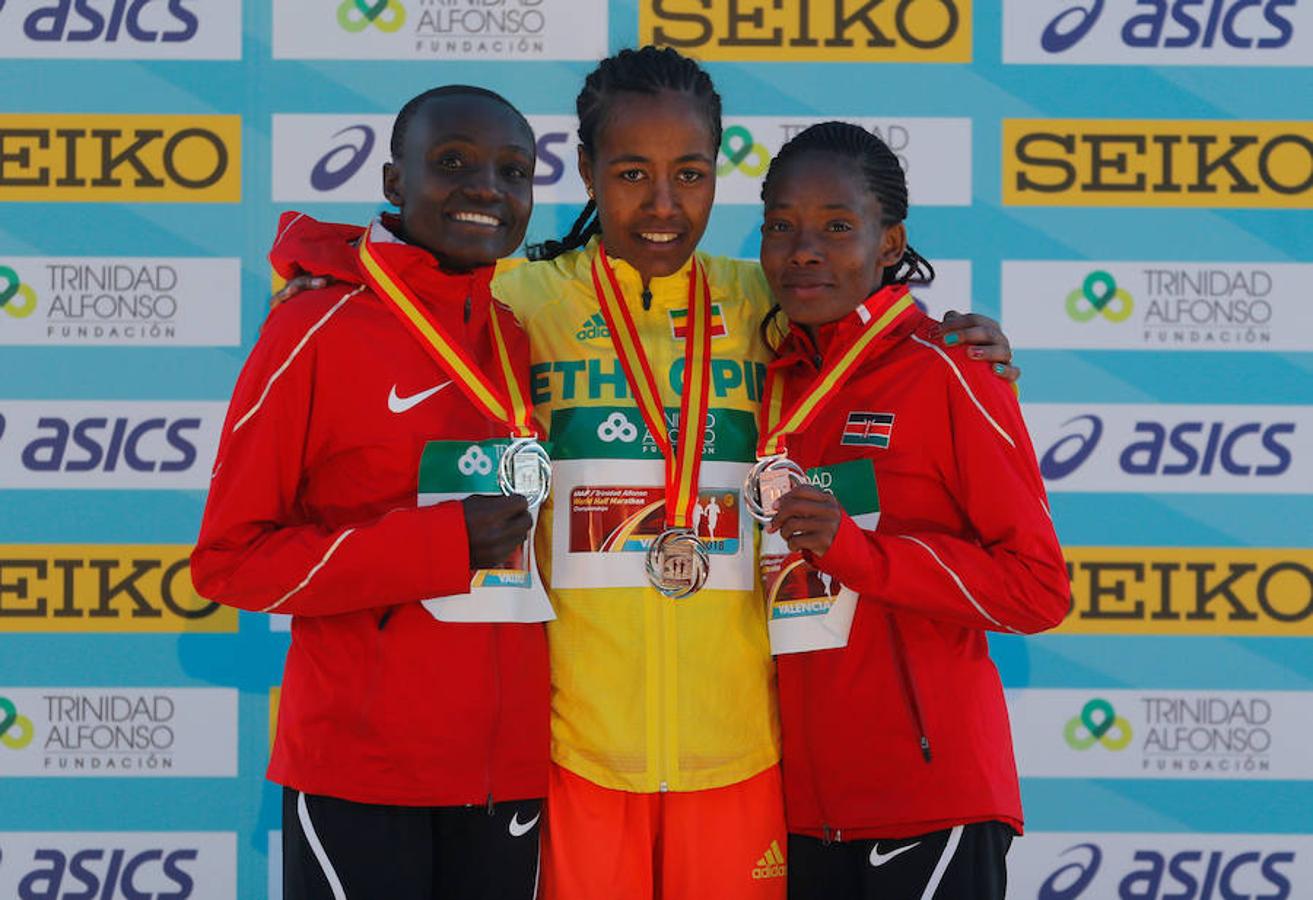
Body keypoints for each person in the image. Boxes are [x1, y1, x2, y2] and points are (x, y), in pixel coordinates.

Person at [270, 46, 1018, 900]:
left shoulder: (765, 302)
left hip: (739, 751)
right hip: (572, 752)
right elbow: (404, 288)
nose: (662, 206)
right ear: (585, 171)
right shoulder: (517, 297)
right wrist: (314, 264)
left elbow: (875, 331)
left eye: (689, 174)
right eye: (630, 173)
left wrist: (962, 339)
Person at [190, 86, 551, 900]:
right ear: (394, 182)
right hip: (363, 772)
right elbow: (228, 563)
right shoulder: (313, 328)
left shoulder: (515, 334)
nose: (487, 187)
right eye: (452, 162)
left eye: (513, 170)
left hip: (507, 773)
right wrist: (439, 546)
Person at [754, 121, 1070, 899]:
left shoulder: (948, 370)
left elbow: (1036, 588)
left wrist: (862, 553)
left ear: (889, 242)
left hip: (927, 800)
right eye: (780, 226)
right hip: (791, 809)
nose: (804, 249)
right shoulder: (761, 381)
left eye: (836, 226)